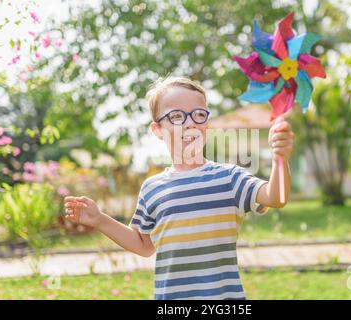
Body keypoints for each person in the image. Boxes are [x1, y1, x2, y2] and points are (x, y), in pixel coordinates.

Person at [64, 76, 295, 300]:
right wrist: (100, 220)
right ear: (157, 129)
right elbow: (144, 246)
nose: (190, 122)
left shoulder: (230, 178)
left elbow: (277, 197)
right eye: (176, 116)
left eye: (199, 114)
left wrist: (280, 159)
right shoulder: (152, 188)